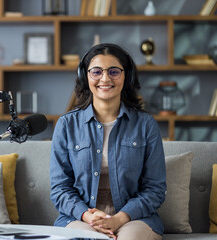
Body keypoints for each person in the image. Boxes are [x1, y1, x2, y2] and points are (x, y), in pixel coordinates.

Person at [50, 43, 166, 240]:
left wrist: (120, 218)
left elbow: (155, 188)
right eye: (96, 72)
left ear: (126, 76)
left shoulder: (145, 125)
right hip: (82, 217)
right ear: (85, 76)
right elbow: (60, 188)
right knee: (88, 238)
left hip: (133, 218)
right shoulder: (66, 125)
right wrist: (88, 216)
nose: (105, 78)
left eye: (114, 71)